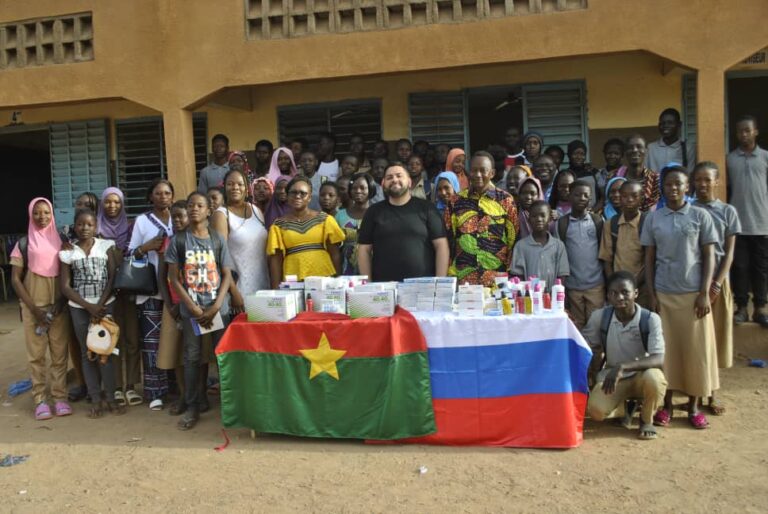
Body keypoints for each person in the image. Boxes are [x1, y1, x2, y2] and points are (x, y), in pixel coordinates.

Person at [641, 165, 718, 430]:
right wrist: (652, 294)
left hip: (693, 296)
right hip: (664, 294)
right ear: (662, 188)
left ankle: (694, 407)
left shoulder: (700, 216)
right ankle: (668, 405)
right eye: (668, 184)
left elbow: (709, 256)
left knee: (695, 352)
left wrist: (704, 293)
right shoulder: (654, 218)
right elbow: (649, 259)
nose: (673, 189)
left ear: (688, 188)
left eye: (679, 184)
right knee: (667, 353)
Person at [166, 192, 233, 431]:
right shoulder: (179, 240)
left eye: (200, 205)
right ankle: (193, 406)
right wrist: (193, 307)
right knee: (192, 357)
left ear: (208, 211)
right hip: (191, 310)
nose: (195, 209)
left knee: (221, 356)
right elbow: (174, 279)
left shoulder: (217, 239)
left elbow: (227, 274)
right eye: (191, 205)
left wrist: (216, 305)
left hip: (217, 310)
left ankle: (229, 407)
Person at [10, 198, 73, 420]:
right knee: (36, 356)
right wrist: (34, 310)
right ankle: (40, 400)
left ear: (52, 214)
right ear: (30, 215)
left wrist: (60, 302)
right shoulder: (23, 244)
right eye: (37, 213)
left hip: (58, 307)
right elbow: (16, 280)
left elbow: (69, 272)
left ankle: (60, 397)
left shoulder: (62, 240)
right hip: (33, 308)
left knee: (59, 354)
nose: (42, 217)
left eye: (46, 212)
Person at [584, 271, 667, 440]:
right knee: (596, 411)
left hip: (641, 376)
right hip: (612, 378)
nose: (619, 297)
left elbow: (659, 358)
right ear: (608, 295)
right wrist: (591, 376)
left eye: (625, 292)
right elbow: (586, 347)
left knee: (655, 379)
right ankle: (625, 407)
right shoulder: (600, 317)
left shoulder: (650, 319)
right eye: (614, 293)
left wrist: (623, 367)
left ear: (635, 293)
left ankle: (646, 420)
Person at [59, 208, 123, 418]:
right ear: (74, 227)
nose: (85, 228)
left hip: (106, 306)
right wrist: (88, 306)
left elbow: (113, 277)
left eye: (89, 224)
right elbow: (66, 287)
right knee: (88, 354)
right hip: (79, 308)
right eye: (80, 224)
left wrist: (100, 305)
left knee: (106, 352)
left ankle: (111, 398)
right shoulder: (68, 252)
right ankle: (95, 399)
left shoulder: (107, 246)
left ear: (96, 227)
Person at [693, 161, 741, 413]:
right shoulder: (689, 209)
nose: (702, 184)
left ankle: (713, 394)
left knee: (716, 340)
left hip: (718, 283)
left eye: (707, 179)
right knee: (700, 340)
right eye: (698, 180)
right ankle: (697, 393)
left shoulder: (728, 211)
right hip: (694, 283)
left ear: (717, 181)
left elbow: (729, 253)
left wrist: (717, 284)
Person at [128, 178, 175, 410]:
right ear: (150, 197)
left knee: (176, 340)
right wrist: (147, 247)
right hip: (151, 290)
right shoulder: (142, 221)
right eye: (158, 193)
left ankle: (176, 388)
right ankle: (155, 391)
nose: (163, 197)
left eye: (167, 193)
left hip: (177, 290)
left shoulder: (179, 217)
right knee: (152, 343)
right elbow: (130, 252)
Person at [357, 165, 449, 282]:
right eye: (389, 177)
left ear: (409, 182)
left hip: (423, 286)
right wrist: (368, 284)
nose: (395, 180)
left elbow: (441, 246)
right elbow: (364, 250)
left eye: (399, 176)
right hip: (384, 288)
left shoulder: (427, 209)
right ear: (383, 184)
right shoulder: (373, 212)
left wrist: (440, 282)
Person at [444, 152, 518, 286]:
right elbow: (450, 239)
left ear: (492, 173)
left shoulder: (506, 200)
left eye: (483, 171)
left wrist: (508, 272)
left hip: (497, 278)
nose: (478, 175)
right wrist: (451, 273)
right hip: (464, 278)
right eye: (474, 170)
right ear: (468, 172)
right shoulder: (456, 201)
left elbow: (513, 239)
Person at [97, 187, 141, 407]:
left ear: (122, 204)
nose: (112, 206)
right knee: (111, 340)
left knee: (132, 339)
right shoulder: (95, 231)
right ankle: (114, 387)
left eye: (116, 202)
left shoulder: (132, 228)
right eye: (107, 202)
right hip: (106, 295)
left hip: (129, 292)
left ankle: (131, 386)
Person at [727, 115, 768, 327]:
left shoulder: (765, 157)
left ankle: (761, 308)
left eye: (747, 130)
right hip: (738, 225)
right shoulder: (730, 159)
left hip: (762, 224)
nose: (743, 134)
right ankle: (741, 307)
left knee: (760, 269)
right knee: (740, 267)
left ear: (756, 131)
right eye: (740, 131)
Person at [267, 176, 344, 287]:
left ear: (309, 198)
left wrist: (338, 282)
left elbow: (335, 254)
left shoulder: (325, 220)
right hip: (292, 280)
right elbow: (276, 261)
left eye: (303, 193)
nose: (298, 196)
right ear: (287, 196)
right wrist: (275, 290)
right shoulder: (278, 225)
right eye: (293, 192)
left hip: (324, 279)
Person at [211, 168, 270, 299]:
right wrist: (233, 291)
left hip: (263, 286)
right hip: (239, 290)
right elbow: (220, 257)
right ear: (224, 188)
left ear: (247, 188)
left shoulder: (256, 211)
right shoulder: (221, 215)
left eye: (240, 184)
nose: (235, 187)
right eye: (230, 184)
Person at [554, 180, 605, 329]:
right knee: (577, 325)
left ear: (590, 199)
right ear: (569, 197)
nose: (582, 198)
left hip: (595, 285)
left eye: (586, 195)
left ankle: (596, 352)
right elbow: (560, 255)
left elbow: (604, 251)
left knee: (596, 325)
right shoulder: (562, 223)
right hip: (573, 286)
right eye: (577, 195)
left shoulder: (597, 221)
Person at [156, 200, 189, 415]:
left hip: (194, 304)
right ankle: (185, 395)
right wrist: (170, 304)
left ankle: (198, 395)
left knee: (196, 354)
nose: (177, 220)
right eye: (174, 217)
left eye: (181, 216)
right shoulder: (167, 243)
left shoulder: (197, 240)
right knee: (176, 352)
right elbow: (162, 277)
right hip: (173, 306)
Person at [599, 180, 647, 305]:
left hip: (642, 287)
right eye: (625, 196)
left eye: (634, 196)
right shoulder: (611, 224)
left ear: (642, 198)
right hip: (618, 289)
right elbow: (607, 260)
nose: (629, 200)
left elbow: (650, 260)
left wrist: (633, 284)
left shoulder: (647, 222)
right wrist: (614, 285)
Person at [510, 200, 569, 288]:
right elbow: (518, 276)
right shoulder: (521, 246)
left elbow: (562, 275)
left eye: (543, 215)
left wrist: (555, 295)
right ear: (529, 220)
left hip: (552, 297)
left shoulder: (558, 246)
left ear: (550, 219)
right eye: (534, 216)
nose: (539, 219)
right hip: (529, 297)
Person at [335, 173, 375, 275]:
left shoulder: (377, 213)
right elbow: (335, 247)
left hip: (373, 266)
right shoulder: (340, 215)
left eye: (362, 188)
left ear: (370, 189)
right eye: (354, 188)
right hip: (346, 268)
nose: (358, 191)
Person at [645, 108, 697, 173]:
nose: (665, 126)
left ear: (679, 125)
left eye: (670, 123)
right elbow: (646, 173)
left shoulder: (688, 148)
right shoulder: (651, 148)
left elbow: (690, 173)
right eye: (662, 123)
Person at [623, 135, 660, 212]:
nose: (635, 150)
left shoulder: (655, 179)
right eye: (630, 147)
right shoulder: (615, 177)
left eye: (639, 147)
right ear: (625, 152)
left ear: (646, 151)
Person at [566, 140, 599, 208]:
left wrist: (595, 210)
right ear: (569, 154)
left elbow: (602, 196)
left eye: (582, 154)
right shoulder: (566, 174)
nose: (579, 157)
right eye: (575, 153)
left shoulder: (593, 172)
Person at [595, 138, 625, 210]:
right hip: (603, 211)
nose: (612, 156)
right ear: (604, 153)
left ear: (622, 155)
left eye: (616, 153)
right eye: (609, 153)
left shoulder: (626, 172)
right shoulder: (598, 174)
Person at [516, 176, 544, 240]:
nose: (528, 197)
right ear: (519, 194)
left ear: (539, 195)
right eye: (524, 193)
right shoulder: (513, 215)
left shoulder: (548, 216)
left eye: (532, 193)